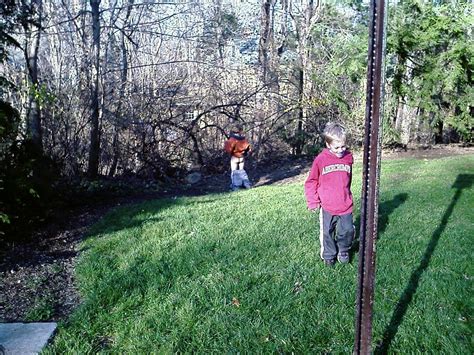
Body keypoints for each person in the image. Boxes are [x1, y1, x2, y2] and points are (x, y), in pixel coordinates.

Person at [304, 122, 354, 267]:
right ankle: (329, 255)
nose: (340, 150)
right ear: (328, 145)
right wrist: (313, 201)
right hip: (327, 205)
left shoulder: (348, 158)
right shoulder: (321, 160)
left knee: (348, 230)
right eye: (336, 147)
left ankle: (343, 250)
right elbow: (311, 181)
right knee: (327, 232)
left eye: (343, 146)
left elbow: (346, 179)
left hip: (345, 203)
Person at [224, 124, 251, 190]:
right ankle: (246, 185)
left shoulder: (232, 139)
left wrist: (230, 152)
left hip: (235, 157)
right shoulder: (243, 139)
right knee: (242, 172)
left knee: (234, 173)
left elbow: (228, 149)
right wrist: (245, 153)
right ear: (240, 131)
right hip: (242, 157)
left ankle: (235, 187)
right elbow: (249, 148)